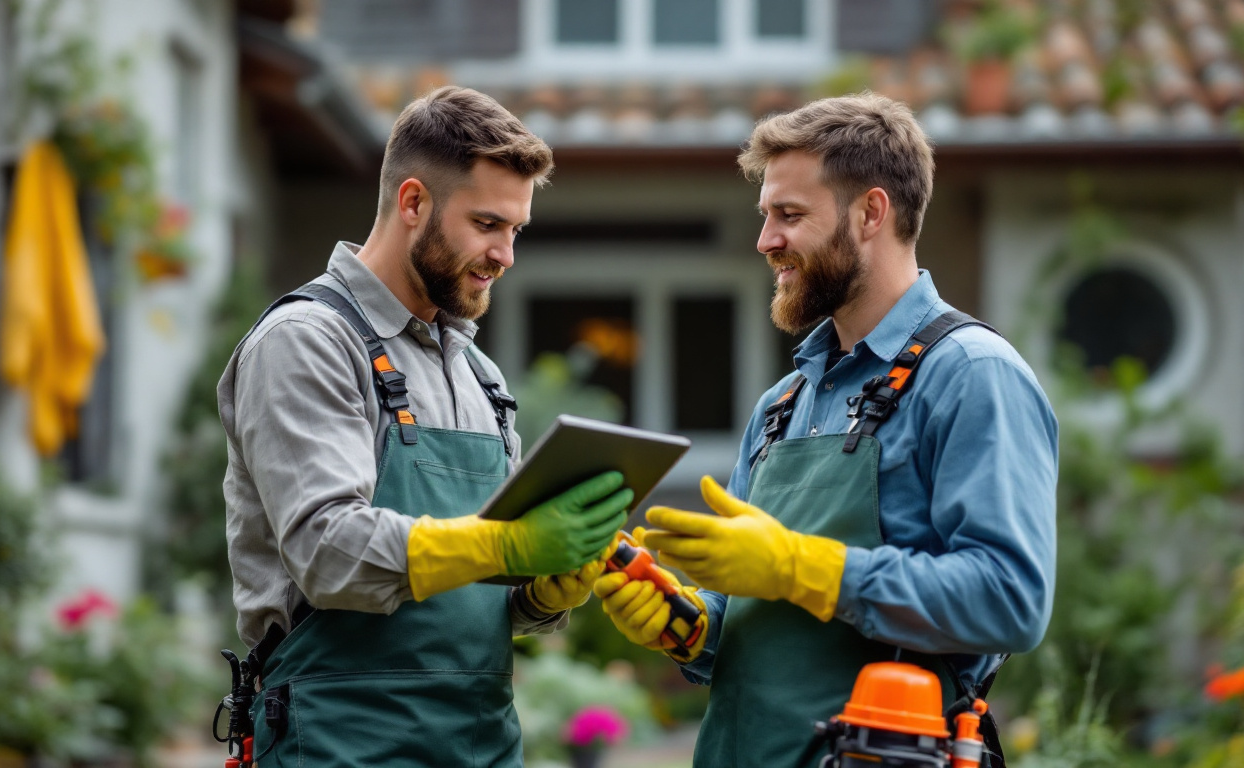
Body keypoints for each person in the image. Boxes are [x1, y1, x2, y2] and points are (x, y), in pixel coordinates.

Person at [595, 92, 1058, 767]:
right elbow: (763, 633)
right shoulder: (785, 402)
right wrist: (690, 629)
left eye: (790, 215)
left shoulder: (971, 376)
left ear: (871, 213)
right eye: (765, 216)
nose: (765, 241)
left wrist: (797, 565)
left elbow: (1009, 598)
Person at [219, 86, 634, 767]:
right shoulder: (308, 341)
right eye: (487, 224)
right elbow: (328, 552)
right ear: (413, 203)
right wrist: (505, 547)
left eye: (515, 231)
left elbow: (481, 590)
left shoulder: (481, 377)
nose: (505, 255)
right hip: (338, 738)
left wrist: (543, 588)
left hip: (481, 740)